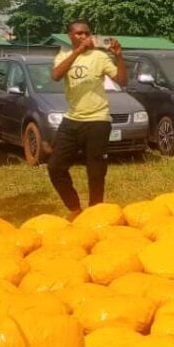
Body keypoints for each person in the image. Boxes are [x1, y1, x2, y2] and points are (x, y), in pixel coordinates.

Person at [48, 20, 128, 218]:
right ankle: (75, 208)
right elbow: (56, 76)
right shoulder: (63, 56)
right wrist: (77, 52)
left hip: (98, 120)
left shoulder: (99, 56)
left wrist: (119, 57)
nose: (83, 37)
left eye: (86, 33)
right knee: (55, 167)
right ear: (70, 36)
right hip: (72, 118)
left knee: (96, 170)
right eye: (78, 34)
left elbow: (122, 81)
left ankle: (95, 210)